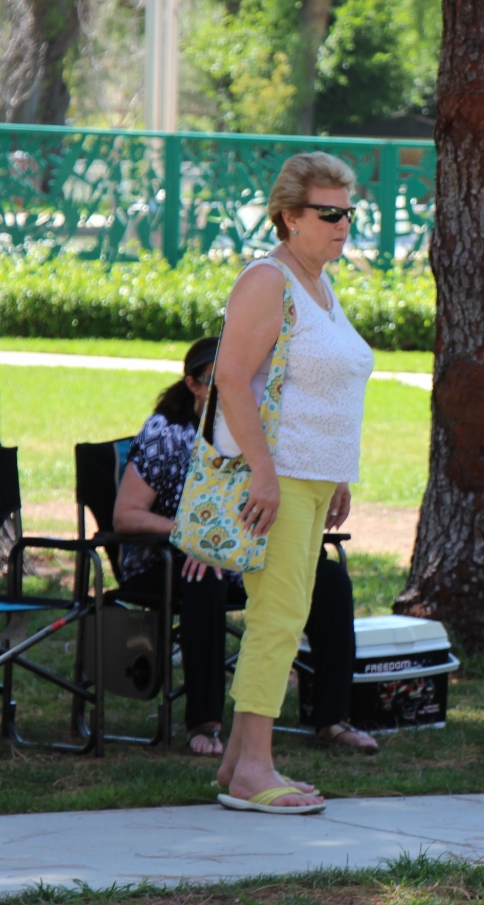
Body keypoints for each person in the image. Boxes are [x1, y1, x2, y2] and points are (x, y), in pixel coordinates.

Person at [112, 338, 378, 758]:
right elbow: (126, 515)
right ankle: (205, 722)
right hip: (167, 560)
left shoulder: (264, 435)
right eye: (216, 381)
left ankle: (332, 719)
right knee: (205, 576)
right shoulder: (167, 434)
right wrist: (196, 540)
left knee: (329, 579)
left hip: (244, 554)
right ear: (193, 385)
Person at [210, 151, 375, 815]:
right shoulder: (267, 280)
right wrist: (265, 474)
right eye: (328, 214)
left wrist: (337, 472)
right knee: (276, 622)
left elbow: (321, 391)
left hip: (310, 479)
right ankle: (253, 768)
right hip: (273, 480)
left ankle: (235, 765)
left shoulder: (321, 285)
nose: (343, 226)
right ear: (287, 216)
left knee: (288, 617)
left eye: (349, 213)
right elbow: (230, 379)